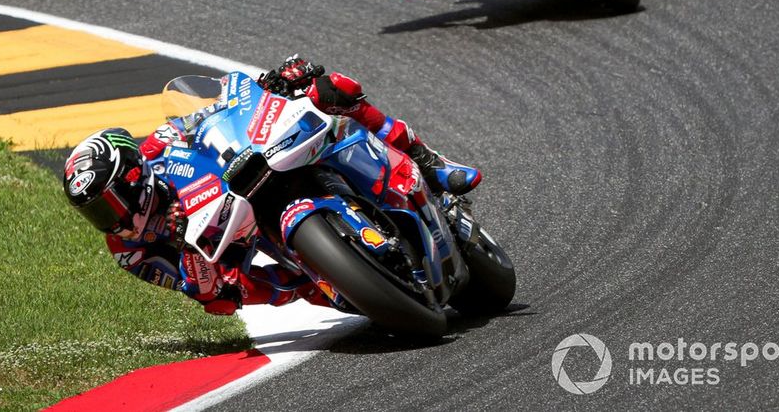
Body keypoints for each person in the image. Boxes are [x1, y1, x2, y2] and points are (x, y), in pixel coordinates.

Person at [62, 56, 482, 316]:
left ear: (135, 176)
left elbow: (210, 114)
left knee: (332, 88)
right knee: (227, 298)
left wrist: (275, 82)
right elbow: (207, 293)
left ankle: (430, 164)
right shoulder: (128, 252)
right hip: (232, 241)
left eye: (110, 204)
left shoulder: (157, 149)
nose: (110, 221)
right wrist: (194, 261)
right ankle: (326, 278)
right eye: (96, 213)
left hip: (249, 175)